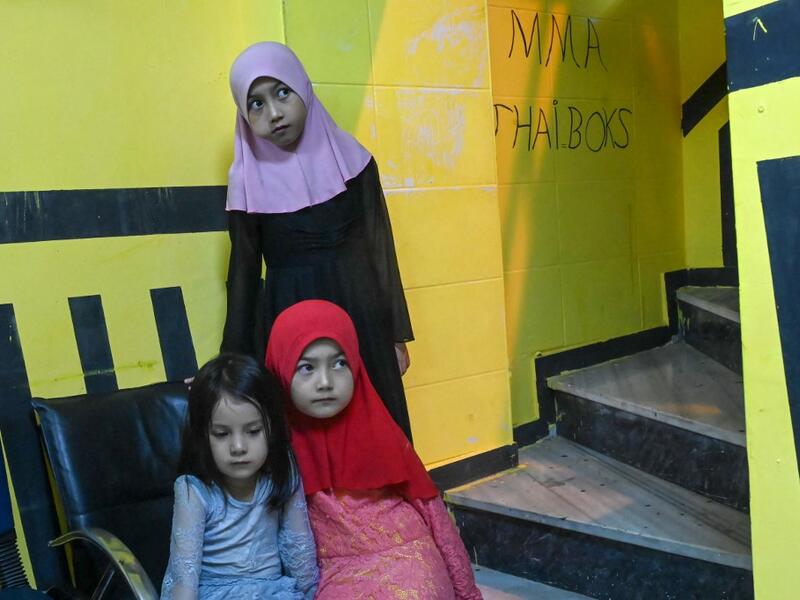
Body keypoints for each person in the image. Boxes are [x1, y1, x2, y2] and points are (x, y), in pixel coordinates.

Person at [220, 41, 415, 441]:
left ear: (303, 88)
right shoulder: (244, 180)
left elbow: (381, 250)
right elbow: (242, 271)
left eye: (282, 93)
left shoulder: (354, 160)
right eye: (255, 103)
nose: (273, 113)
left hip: (361, 312)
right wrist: (231, 363)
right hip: (291, 321)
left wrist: (395, 336)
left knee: (377, 430)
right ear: (243, 114)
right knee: (307, 442)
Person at [265, 300, 483, 599]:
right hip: (330, 574)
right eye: (307, 368)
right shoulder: (270, 444)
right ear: (280, 368)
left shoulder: (380, 431)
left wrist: (466, 593)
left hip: (406, 556)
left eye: (339, 363)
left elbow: (434, 514)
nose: (326, 382)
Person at [161, 354, 319, 599]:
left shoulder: (282, 472)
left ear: (271, 428)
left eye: (253, 431)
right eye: (222, 434)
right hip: (216, 594)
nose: (238, 447)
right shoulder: (194, 490)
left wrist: (311, 595)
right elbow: (183, 576)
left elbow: (299, 550)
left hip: (274, 592)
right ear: (203, 436)